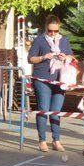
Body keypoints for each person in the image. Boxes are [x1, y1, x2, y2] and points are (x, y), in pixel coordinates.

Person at [28, 14, 73, 153]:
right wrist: (43, 57)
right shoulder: (39, 40)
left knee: (56, 111)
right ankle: (42, 140)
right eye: (50, 31)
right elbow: (31, 59)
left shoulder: (64, 40)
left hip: (60, 78)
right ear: (45, 28)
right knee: (43, 108)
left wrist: (66, 57)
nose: (53, 33)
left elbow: (71, 56)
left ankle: (56, 140)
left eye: (56, 31)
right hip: (42, 78)